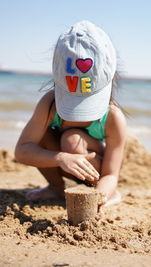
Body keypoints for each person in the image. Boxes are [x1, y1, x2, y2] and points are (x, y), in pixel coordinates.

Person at [14, 21, 126, 210]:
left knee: (72, 139)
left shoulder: (113, 116)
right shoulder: (50, 105)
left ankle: (111, 195)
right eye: (73, 98)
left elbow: (111, 174)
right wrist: (61, 158)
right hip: (64, 162)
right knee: (46, 138)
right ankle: (56, 188)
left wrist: (100, 197)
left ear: (111, 77)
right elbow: (22, 151)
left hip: (95, 169)